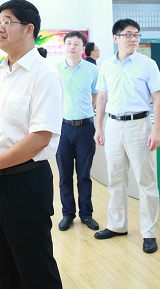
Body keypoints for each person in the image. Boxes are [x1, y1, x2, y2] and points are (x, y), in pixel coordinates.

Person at [0, 0, 63, 289]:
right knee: (3, 268)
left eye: (7, 22)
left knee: (36, 269)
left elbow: (40, 137)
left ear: (29, 29)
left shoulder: (44, 74)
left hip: (25, 182)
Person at [93, 18, 160, 255]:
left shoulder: (147, 64)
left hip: (139, 125)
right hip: (113, 125)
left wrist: (156, 130)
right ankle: (117, 225)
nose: (134, 39)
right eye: (128, 35)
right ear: (116, 38)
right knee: (115, 179)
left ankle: (149, 233)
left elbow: (157, 99)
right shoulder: (106, 65)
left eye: (136, 35)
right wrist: (99, 127)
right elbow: (102, 97)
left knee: (146, 181)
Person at [55, 31, 100, 232]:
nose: (72, 47)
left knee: (84, 175)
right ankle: (68, 214)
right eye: (69, 43)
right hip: (62, 128)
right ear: (64, 46)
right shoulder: (55, 70)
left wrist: (87, 111)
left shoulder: (92, 70)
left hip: (85, 128)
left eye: (76, 44)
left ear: (83, 48)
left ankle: (86, 214)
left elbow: (96, 95)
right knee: (64, 175)